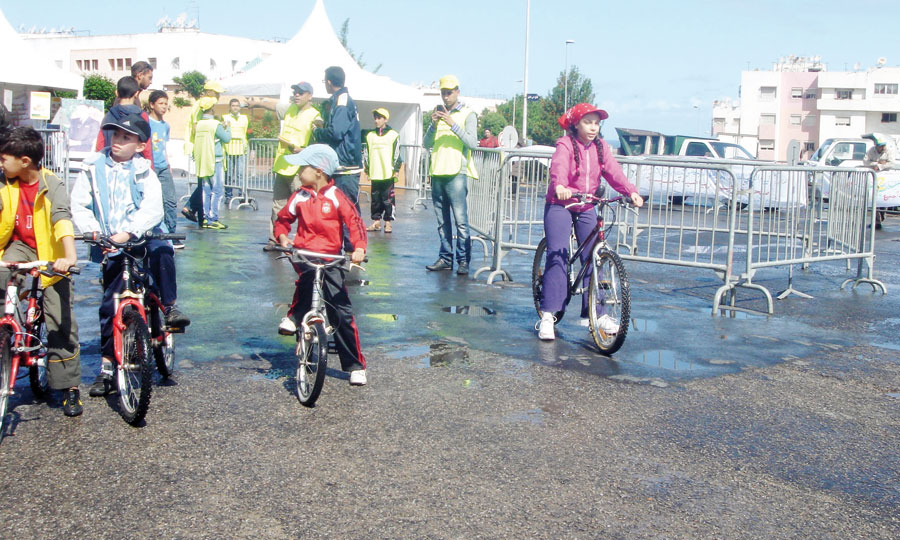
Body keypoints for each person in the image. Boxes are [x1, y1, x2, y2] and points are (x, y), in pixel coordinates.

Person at [70, 114, 190, 396]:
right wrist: (93, 231)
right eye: (115, 135)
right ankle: (107, 366)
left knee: (162, 252)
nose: (117, 141)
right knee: (109, 305)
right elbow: (80, 204)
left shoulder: (145, 171)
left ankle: (169, 306)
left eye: (126, 137)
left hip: (142, 233)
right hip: (108, 239)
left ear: (139, 145)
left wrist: (130, 232)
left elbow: (153, 208)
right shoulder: (92, 167)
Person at [536, 103, 644, 341]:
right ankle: (548, 315)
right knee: (558, 254)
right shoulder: (565, 144)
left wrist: (631, 191)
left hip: (587, 204)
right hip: (560, 203)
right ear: (576, 124)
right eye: (588, 122)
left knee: (594, 257)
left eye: (597, 123)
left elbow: (614, 172)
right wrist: (560, 186)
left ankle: (598, 314)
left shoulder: (601, 147)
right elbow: (559, 167)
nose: (593, 127)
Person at [0, 127, 82, 416]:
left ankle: (69, 386)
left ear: (24, 161)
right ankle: (7, 333)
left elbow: (61, 218)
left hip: (51, 253)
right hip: (20, 247)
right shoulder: (4, 183)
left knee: (60, 318)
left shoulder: (52, 184)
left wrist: (69, 257)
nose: (0, 164)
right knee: (2, 278)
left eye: (4, 159)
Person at [274, 145, 368, 386]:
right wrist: (283, 237)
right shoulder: (300, 196)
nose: (299, 172)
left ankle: (355, 366)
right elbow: (283, 220)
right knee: (306, 281)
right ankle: (295, 318)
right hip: (305, 255)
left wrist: (359, 248)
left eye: (302, 167)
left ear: (318, 171)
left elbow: (355, 223)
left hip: (331, 259)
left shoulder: (336, 195)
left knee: (341, 311)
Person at [423, 74, 479, 275]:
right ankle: (446, 258)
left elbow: (472, 143)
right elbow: (426, 144)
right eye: (443, 93)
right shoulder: (437, 115)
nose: (446, 97)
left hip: (456, 173)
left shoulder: (468, 114)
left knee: (460, 221)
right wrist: (433, 125)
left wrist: (452, 123)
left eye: (449, 92)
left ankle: (463, 260)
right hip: (437, 172)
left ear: (457, 92)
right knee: (442, 222)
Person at [255, 82, 321, 251]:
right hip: (283, 165)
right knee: (278, 205)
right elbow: (274, 106)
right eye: (295, 92)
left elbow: (319, 142)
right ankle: (275, 238)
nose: (296, 95)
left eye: (301, 92)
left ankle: (305, 241)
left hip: (300, 169)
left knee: (303, 206)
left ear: (310, 96)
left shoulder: (315, 116)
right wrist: (257, 102)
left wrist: (303, 151)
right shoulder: (290, 109)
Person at [314, 66, 362, 253]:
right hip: (342, 163)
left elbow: (336, 132)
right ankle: (343, 249)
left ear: (328, 81)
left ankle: (353, 250)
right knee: (339, 209)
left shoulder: (342, 101)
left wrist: (318, 131)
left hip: (345, 165)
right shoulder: (340, 99)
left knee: (347, 210)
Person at [181, 81, 223, 224]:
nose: (218, 96)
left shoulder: (200, 104)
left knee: (204, 183)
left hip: (201, 147)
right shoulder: (203, 105)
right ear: (209, 92)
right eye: (216, 93)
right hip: (203, 148)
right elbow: (195, 127)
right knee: (206, 184)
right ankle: (192, 208)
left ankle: (197, 212)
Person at [147, 90, 183, 249]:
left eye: (166, 104)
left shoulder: (165, 126)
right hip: (149, 167)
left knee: (170, 201)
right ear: (152, 104)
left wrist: (168, 165)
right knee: (151, 201)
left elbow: (163, 147)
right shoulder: (146, 122)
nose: (164, 107)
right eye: (160, 103)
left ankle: (171, 234)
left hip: (163, 167)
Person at [362, 107, 404, 233]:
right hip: (375, 172)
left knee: (388, 199)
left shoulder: (393, 135)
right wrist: (367, 169)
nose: (376, 120)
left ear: (385, 119)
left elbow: (397, 153)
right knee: (375, 199)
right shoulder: (370, 135)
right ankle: (376, 222)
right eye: (375, 118)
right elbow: (366, 153)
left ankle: (388, 222)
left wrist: (396, 169)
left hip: (387, 172)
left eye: (379, 118)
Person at [191, 98, 231, 229]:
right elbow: (226, 138)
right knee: (217, 190)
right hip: (215, 160)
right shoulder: (215, 124)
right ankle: (213, 218)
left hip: (203, 160)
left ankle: (205, 218)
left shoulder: (199, 124)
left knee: (206, 190)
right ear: (212, 108)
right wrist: (227, 128)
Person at [95, 76, 153, 165]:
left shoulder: (108, 115)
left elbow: (100, 143)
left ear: (116, 93)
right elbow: (147, 146)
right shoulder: (142, 116)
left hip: (109, 163)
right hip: (134, 165)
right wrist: (150, 166)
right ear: (136, 94)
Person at [222, 98, 249, 204]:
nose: (235, 107)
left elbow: (247, 132)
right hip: (229, 149)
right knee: (228, 174)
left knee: (240, 174)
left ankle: (241, 195)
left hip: (241, 150)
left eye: (237, 105)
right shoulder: (225, 117)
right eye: (233, 105)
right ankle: (228, 195)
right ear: (230, 107)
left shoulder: (244, 118)